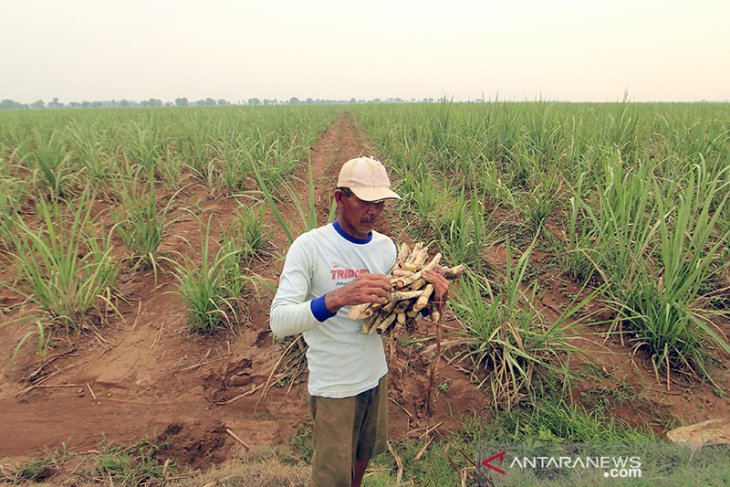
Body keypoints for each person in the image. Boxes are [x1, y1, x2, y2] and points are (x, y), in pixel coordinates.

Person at [270, 156, 449, 487]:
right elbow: (279, 321)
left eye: (380, 203)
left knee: (363, 457)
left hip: (374, 375)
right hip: (335, 384)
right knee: (330, 477)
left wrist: (430, 300)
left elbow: (395, 311)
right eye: (365, 201)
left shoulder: (385, 248)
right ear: (340, 198)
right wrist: (338, 297)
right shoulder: (309, 247)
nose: (374, 211)